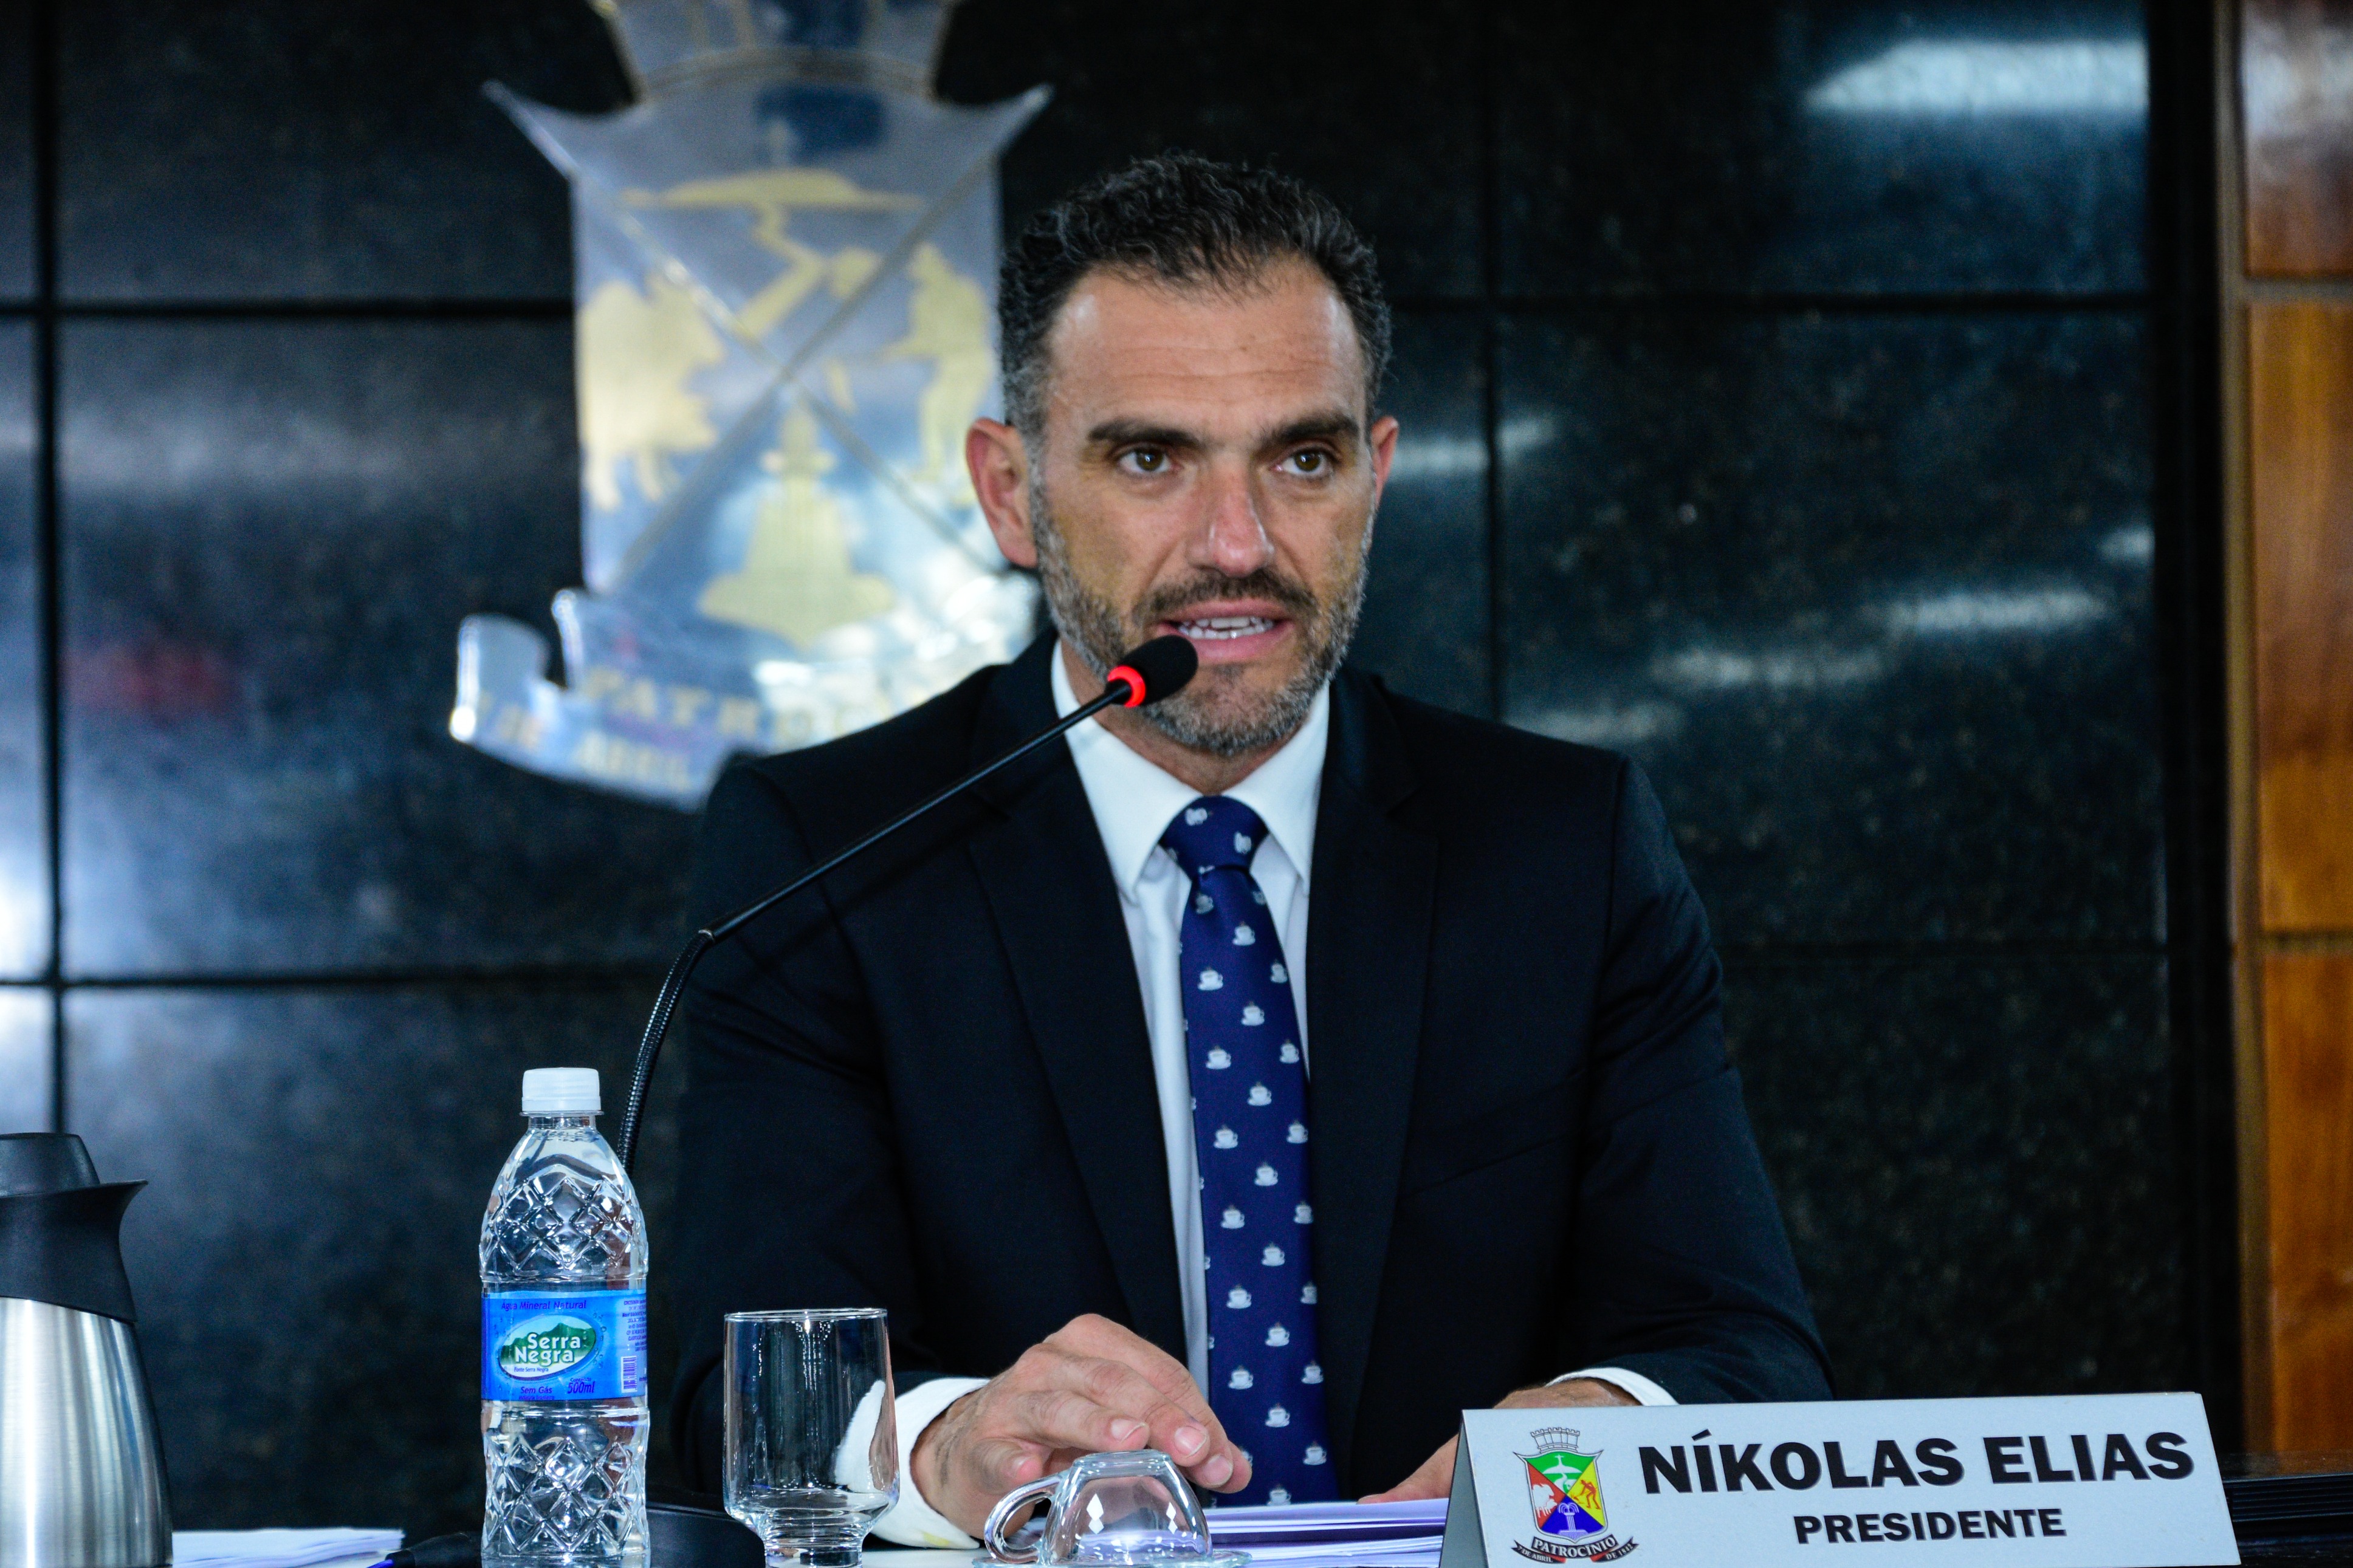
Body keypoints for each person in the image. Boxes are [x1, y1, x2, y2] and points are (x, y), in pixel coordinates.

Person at [669, 152, 1830, 1546]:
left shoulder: (1564, 852)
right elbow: (729, 1390)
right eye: (1150, 460)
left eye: (1302, 459)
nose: (1237, 544)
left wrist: (1594, 1418)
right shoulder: (834, 855)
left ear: (1375, 477)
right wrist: (949, 1443)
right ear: (1010, 493)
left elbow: (1741, 1349)